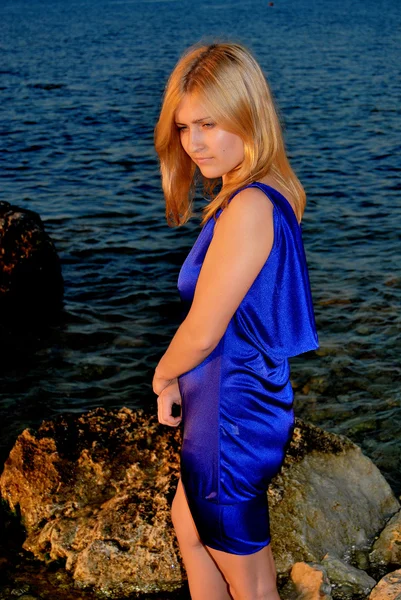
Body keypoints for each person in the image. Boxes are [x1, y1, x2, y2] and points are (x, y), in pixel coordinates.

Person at [152, 42, 319, 600]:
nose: (194, 143)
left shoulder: (247, 208)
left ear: (248, 115)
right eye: (183, 127)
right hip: (237, 401)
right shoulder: (268, 190)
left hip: (231, 411)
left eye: (209, 123)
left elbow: (203, 329)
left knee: (250, 584)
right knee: (190, 527)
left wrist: (162, 375)